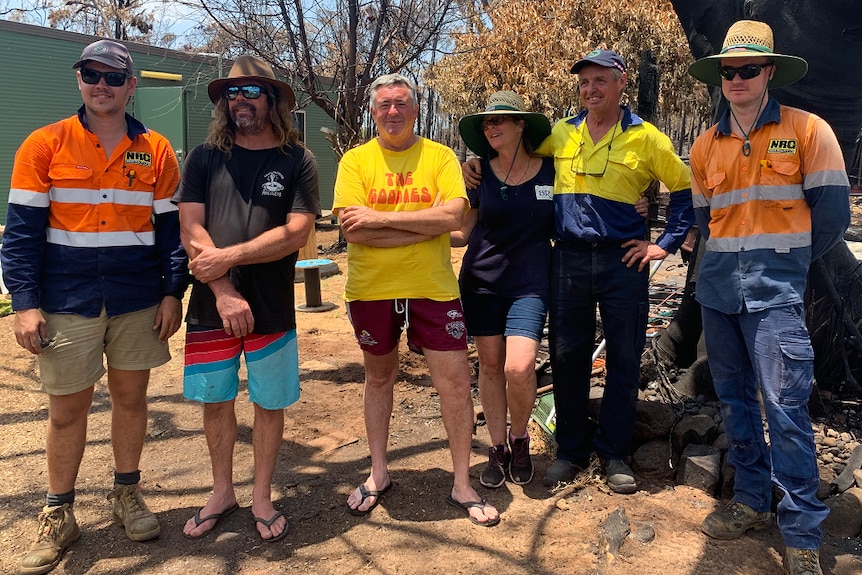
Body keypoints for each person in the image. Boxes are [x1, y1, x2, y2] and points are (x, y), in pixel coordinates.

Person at [465, 50, 694, 494]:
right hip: (566, 258)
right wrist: (471, 163)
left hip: (621, 260)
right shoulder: (561, 135)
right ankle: (570, 451)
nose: (591, 89)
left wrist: (661, 245)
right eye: (584, 81)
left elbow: (686, 189)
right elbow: (513, 157)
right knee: (569, 357)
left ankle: (613, 453)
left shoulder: (648, 139)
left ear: (621, 81)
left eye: (600, 80)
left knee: (624, 359)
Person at [1, 39, 187, 575]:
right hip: (66, 299)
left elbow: (172, 235)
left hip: (136, 300)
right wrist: (25, 304)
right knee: (67, 411)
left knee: (131, 399)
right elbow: (21, 235)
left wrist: (174, 291)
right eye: (91, 74)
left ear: (132, 86)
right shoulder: (44, 145)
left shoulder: (156, 151)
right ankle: (59, 512)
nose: (101, 85)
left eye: (113, 76)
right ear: (78, 79)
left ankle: (126, 494)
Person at [687, 20, 850, 575]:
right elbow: (705, 219)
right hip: (717, 294)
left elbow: (830, 217)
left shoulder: (808, 132)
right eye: (728, 70)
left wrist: (787, 262)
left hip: (775, 296)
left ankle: (802, 529)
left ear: (769, 72)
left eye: (748, 69)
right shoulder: (705, 143)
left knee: (785, 408)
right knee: (733, 402)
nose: (737, 78)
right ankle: (753, 502)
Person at [333, 73, 500, 527]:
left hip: (433, 288)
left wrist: (381, 219)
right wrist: (420, 227)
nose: (392, 111)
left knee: (453, 382)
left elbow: (452, 217)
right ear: (373, 110)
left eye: (401, 103)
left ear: (415, 108)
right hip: (371, 290)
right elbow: (354, 230)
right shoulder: (356, 162)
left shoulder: (440, 157)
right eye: (384, 104)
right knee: (379, 378)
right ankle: (378, 472)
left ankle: (462, 481)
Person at [173, 55, 320, 542]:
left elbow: (296, 233)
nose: (239, 101)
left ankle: (261, 495)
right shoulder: (203, 157)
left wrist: (229, 258)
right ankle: (222, 491)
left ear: (272, 100)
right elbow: (190, 227)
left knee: (268, 402)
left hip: (272, 304)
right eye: (232, 94)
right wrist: (222, 289)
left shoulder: (297, 160)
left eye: (251, 92)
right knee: (215, 401)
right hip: (211, 306)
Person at [453, 91, 553, 488]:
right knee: (491, 366)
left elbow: (583, 205)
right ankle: (497, 447)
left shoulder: (552, 170)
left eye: (500, 120)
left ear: (520, 125)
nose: (491, 127)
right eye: (486, 123)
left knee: (519, 366)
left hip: (530, 282)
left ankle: (521, 437)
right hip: (481, 282)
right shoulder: (478, 175)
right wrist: (406, 230)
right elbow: (463, 231)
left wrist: (635, 210)